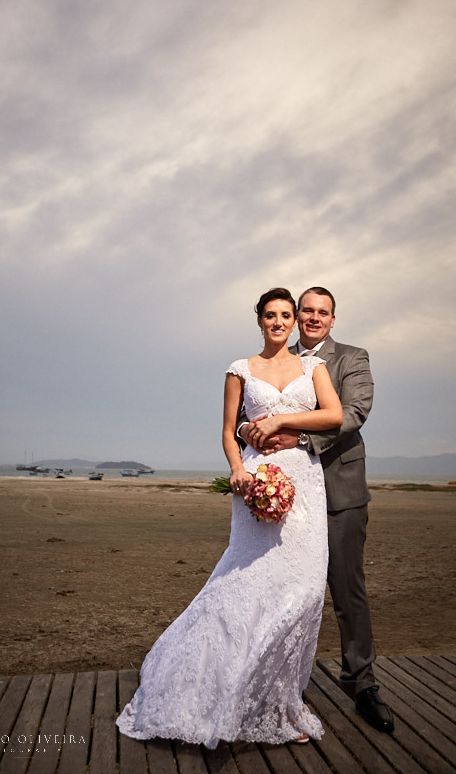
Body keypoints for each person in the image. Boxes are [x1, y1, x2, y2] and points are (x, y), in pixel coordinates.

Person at [116, 288, 343, 748]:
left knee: (302, 588)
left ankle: (279, 698)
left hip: (304, 483)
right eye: (270, 315)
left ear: (294, 321)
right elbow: (227, 430)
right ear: (259, 320)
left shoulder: (313, 367)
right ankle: (225, 691)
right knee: (247, 581)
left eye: (286, 315)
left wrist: (280, 422)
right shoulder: (240, 369)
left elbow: (334, 415)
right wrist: (238, 469)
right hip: (256, 480)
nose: (279, 322)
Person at [241, 286, 394, 733]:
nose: (312, 317)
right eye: (306, 310)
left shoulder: (352, 358)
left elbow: (354, 412)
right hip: (287, 495)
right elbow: (248, 414)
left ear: (332, 319)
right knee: (280, 587)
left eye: (321, 312)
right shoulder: (278, 358)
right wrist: (249, 432)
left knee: (347, 590)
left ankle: (362, 684)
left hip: (340, 491)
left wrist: (302, 437)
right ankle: (276, 682)